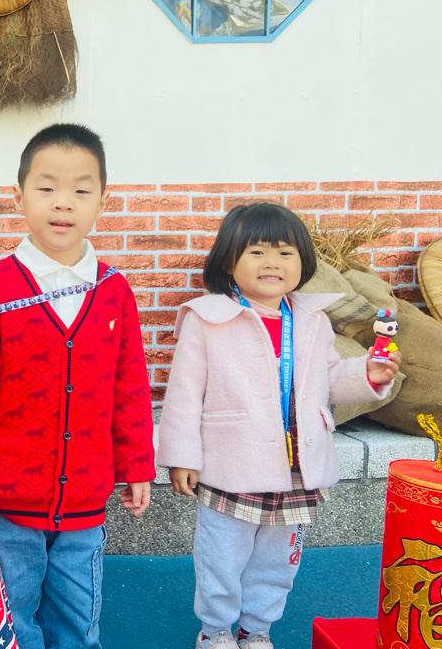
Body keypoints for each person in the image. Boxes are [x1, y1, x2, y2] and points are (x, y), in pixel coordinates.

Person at [0, 124, 155, 649]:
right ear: (18, 197)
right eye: (46, 188)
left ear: (103, 200)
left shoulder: (114, 290)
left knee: (77, 621)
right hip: (4, 495)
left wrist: (136, 466)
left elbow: (129, 385)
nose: (63, 203)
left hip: (85, 494)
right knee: (7, 618)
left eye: (81, 190)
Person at [157, 202, 401, 649]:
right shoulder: (207, 319)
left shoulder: (312, 320)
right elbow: (185, 394)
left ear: (302, 263)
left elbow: (328, 379)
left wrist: (368, 373)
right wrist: (181, 456)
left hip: (297, 469)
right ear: (228, 262)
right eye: (257, 252)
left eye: (286, 253)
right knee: (220, 558)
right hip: (232, 464)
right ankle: (215, 630)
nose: (272, 262)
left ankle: (257, 630)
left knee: (277, 562)